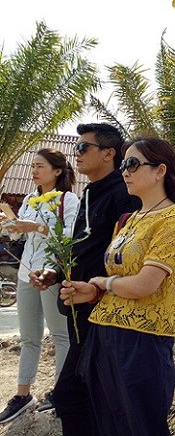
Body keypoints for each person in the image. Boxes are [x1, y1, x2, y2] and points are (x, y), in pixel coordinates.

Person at [58, 137, 175, 435]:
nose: (125, 171)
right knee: (107, 425)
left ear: (160, 170)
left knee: (141, 426)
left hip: (141, 340)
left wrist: (105, 282)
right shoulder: (129, 220)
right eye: (123, 165)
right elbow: (121, 276)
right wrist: (93, 290)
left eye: (132, 163)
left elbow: (146, 284)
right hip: (103, 334)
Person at [29, 123, 141, 436]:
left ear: (109, 154)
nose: (75, 154)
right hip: (80, 310)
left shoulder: (125, 194)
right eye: (76, 147)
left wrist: (97, 291)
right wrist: (55, 273)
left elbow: (129, 258)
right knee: (86, 399)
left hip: (104, 313)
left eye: (83, 148)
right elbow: (82, 246)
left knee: (73, 396)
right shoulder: (90, 192)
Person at [0, 149, 78, 423]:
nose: (33, 170)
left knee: (60, 336)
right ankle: (23, 394)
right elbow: (19, 234)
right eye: (32, 166)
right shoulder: (31, 199)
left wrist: (39, 227)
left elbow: (72, 234)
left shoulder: (68, 199)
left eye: (40, 166)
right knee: (29, 338)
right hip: (25, 273)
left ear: (57, 170)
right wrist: (10, 226)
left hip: (51, 273)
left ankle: (60, 392)